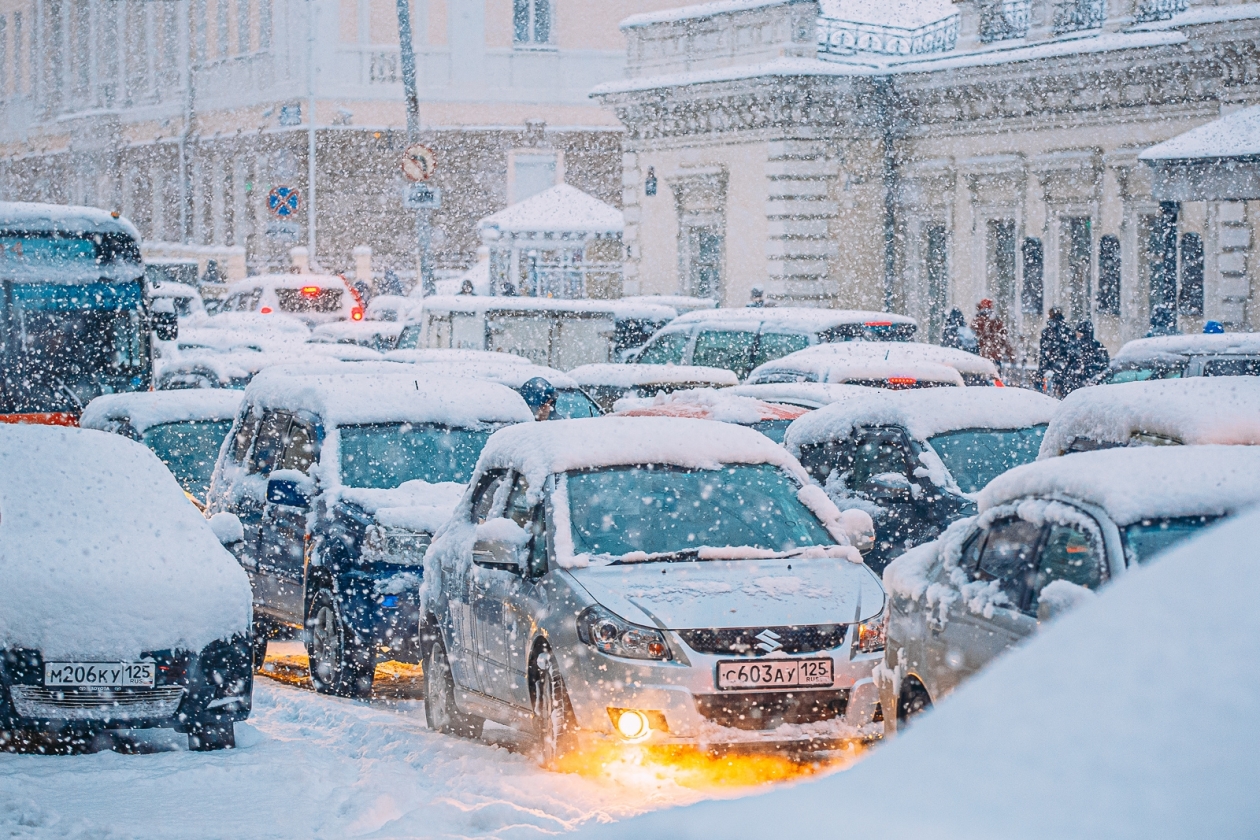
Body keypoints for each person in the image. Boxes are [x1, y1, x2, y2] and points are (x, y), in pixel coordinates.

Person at [1063, 319, 1109, 394]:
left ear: (1081, 333)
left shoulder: (1075, 346)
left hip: (1077, 384)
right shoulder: (1098, 346)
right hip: (1096, 384)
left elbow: (1068, 365)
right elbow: (1106, 364)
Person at [1038, 308, 1072, 397]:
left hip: (1051, 366)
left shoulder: (1047, 332)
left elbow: (1044, 353)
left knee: (1048, 394)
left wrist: (1042, 370)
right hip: (1064, 368)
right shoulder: (1067, 331)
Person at [971, 299, 1015, 363]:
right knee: (995, 371)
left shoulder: (977, 320)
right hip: (994, 354)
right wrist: (1010, 354)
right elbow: (1004, 338)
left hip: (980, 355)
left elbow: (973, 335)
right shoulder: (996, 321)